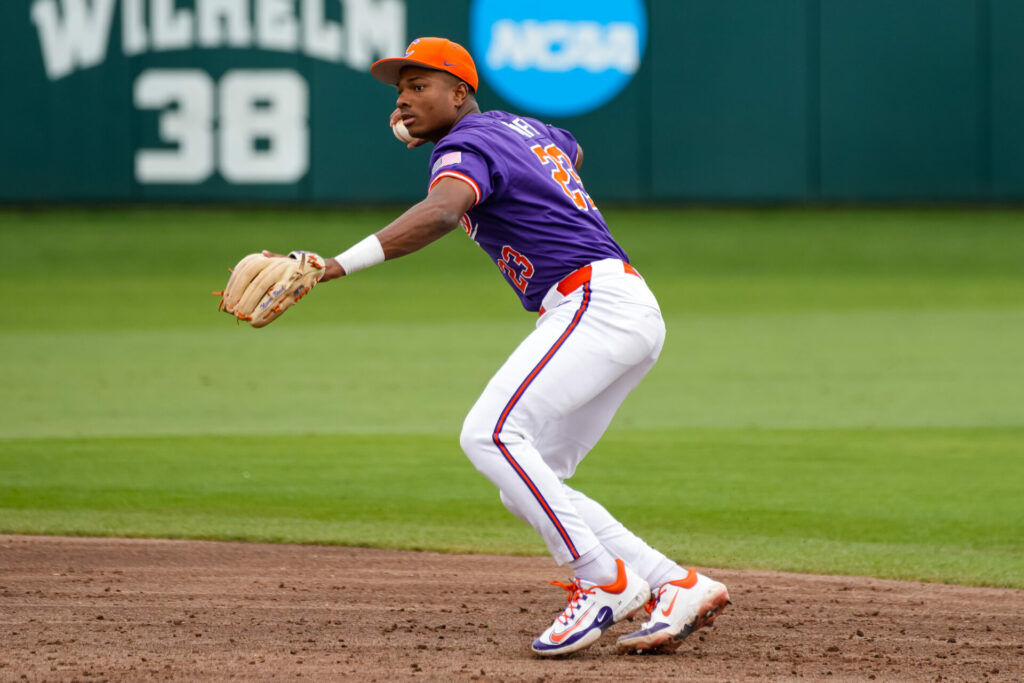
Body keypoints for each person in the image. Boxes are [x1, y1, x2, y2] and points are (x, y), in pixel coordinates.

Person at [316, 37, 730, 656]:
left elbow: (440, 213)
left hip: (595, 304)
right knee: (531, 482)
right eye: (401, 89)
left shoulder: (465, 145)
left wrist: (333, 265)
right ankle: (676, 584)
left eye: (420, 86)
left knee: (489, 434)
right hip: (622, 306)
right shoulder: (521, 128)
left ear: (461, 93)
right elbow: (568, 147)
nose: (404, 99)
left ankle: (604, 581)